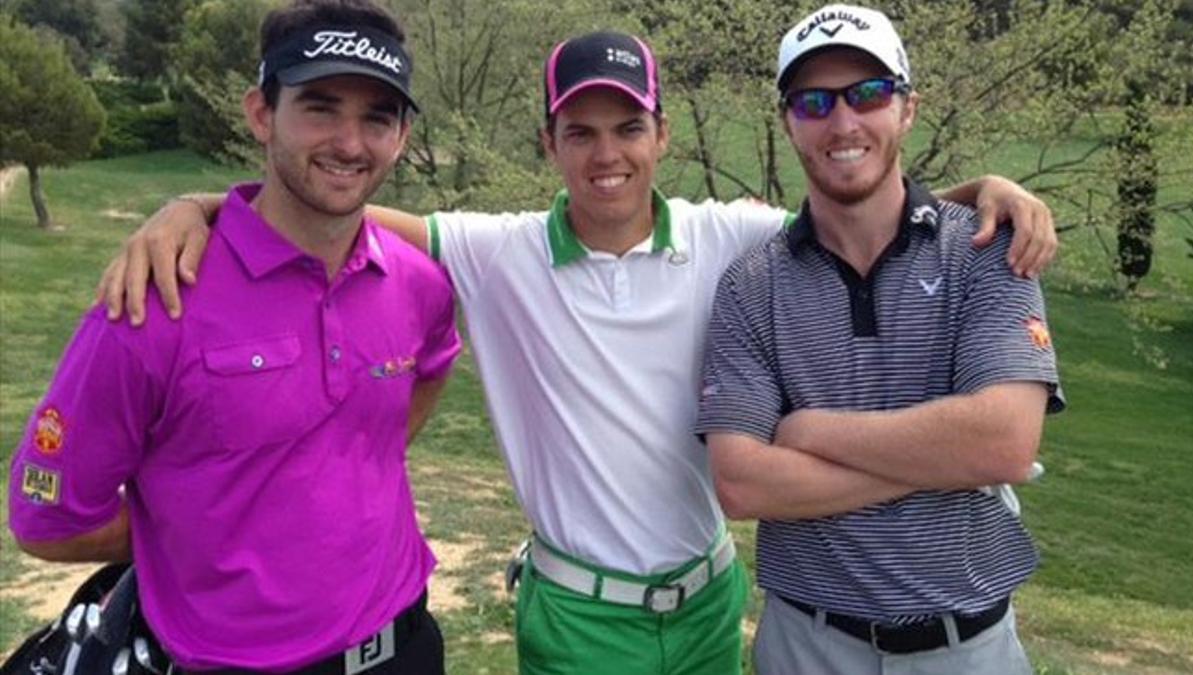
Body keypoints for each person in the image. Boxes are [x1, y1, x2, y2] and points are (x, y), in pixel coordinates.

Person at [93, 30, 1058, 675]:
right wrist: (208, 206)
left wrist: (984, 188)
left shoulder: (733, 235)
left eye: (629, 127)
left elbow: (859, 193)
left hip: (712, 604)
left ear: (662, 133)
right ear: (550, 142)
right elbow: (342, 202)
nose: (608, 155)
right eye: (580, 131)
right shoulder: (499, 250)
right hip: (578, 615)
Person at [7, 1, 461, 672]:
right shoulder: (154, 298)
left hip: (404, 644)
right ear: (259, 112)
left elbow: (431, 363)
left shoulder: (418, 284)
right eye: (320, 107)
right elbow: (49, 517)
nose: (350, 141)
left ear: (399, 135)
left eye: (378, 116)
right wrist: (188, 531)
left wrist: (355, 474)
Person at [694, 5, 1065, 674]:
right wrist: (941, 461)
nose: (843, 122)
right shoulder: (750, 286)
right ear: (787, 122)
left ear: (907, 109)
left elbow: (1004, 441)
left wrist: (807, 430)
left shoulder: (986, 250)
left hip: (969, 647)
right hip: (807, 645)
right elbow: (743, 484)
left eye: (868, 94)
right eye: (814, 101)